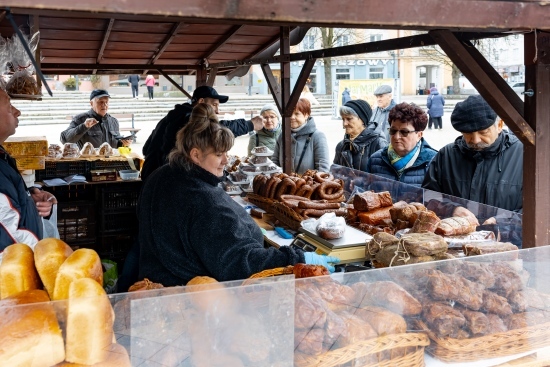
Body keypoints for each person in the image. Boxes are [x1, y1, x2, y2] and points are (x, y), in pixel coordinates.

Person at [138, 103, 338, 285]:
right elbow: (238, 262)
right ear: (195, 155)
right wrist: (298, 259)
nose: (226, 160)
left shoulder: (161, 175)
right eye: (218, 154)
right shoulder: (203, 200)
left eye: (226, 152)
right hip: (191, 293)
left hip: (155, 278)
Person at [422, 95, 523, 224]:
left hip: (508, 242)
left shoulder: (524, 155)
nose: (475, 140)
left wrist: (502, 224)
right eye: (468, 133)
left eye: (483, 132)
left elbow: (539, 205)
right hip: (456, 240)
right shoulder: (446, 155)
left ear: (499, 125)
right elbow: (427, 196)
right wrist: (451, 209)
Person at [141, 85, 265, 182]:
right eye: (214, 105)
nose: (217, 111)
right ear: (201, 101)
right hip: (164, 181)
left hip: (151, 176)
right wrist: (250, 125)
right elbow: (215, 129)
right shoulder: (186, 119)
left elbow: (146, 148)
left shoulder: (172, 116)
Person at [0, 89, 56, 250]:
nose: (18, 112)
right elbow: (11, 241)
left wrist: (28, 199)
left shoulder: (3, 157)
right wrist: (45, 259)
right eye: (9, 106)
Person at [367, 102, 437, 186]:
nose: (396, 137)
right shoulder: (375, 160)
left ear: (419, 135)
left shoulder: (434, 162)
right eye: (393, 131)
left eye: (404, 132)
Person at [272, 98, 330, 174]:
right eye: (290, 114)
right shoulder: (282, 136)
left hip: (309, 185)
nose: (292, 117)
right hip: (285, 184)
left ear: (306, 115)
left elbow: (323, 169)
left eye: (297, 114)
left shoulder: (317, 136)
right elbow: (274, 162)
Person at [60, 89, 132, 149]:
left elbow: (116, 146)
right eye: (100, 102)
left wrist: (123, 144)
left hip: (110, 164)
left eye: (106, 102)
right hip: (89, 164)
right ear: (91, 103)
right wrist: (84, 126)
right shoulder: (80, 119)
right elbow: (64, 139)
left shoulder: (113, 121)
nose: (104, 105)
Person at [333, 99, 387, 172]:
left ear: (362, 120)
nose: (344, 124)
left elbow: (384, 178)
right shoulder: (341, 146)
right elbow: (335, 174)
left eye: (349, 119)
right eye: (343, 119)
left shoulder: (379, 144)